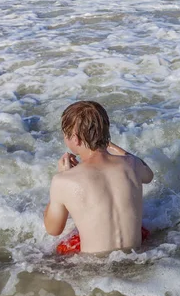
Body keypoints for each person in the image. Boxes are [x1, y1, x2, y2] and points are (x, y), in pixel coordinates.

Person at [43, 100, 154, 254]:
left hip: (95, 267)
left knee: (50, 252)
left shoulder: (64, 180)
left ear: (75, 139)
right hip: (136, 256)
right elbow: (148, 175)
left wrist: (62, 174)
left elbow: (53, 229)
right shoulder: (132, 164)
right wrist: (111, 146)